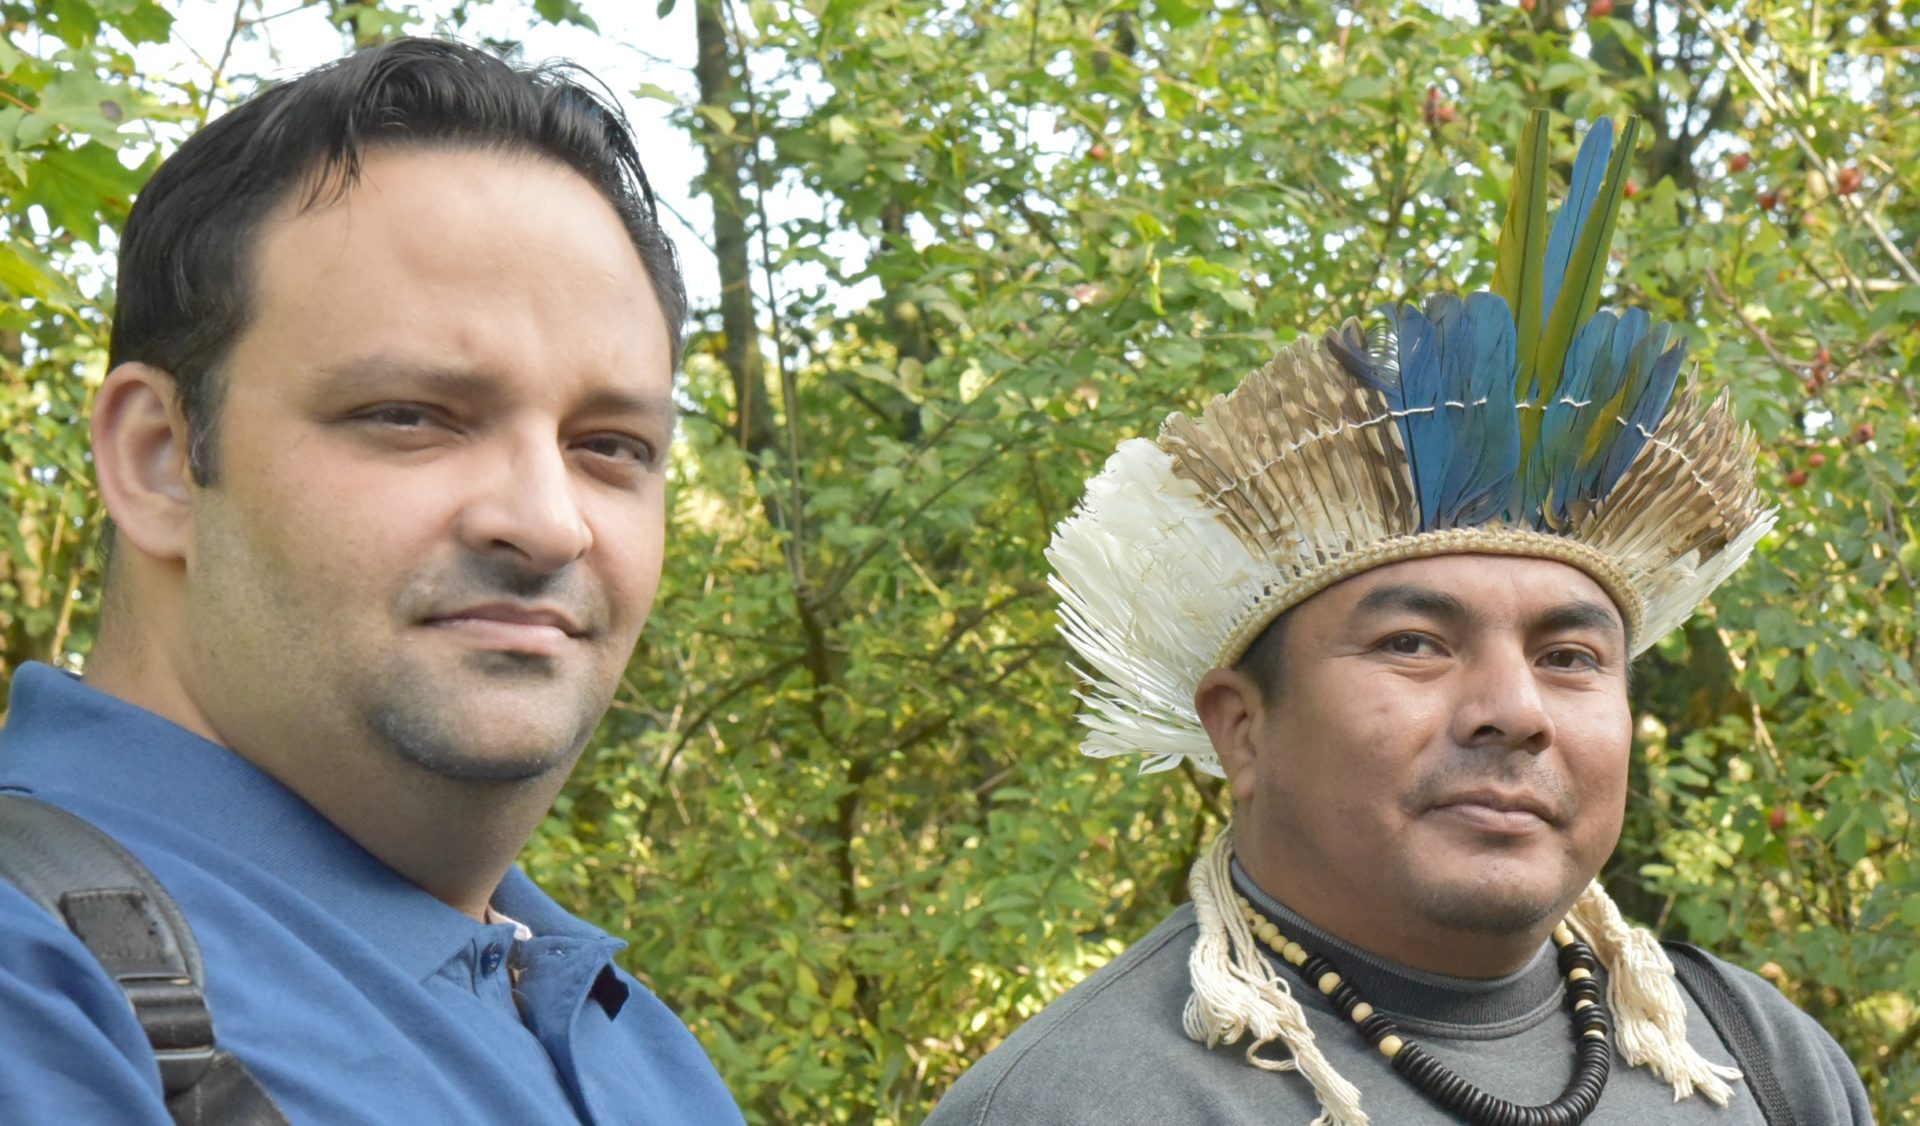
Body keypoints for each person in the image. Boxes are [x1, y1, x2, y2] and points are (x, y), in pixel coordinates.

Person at [927, 112, 1872, 1125]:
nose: (1514, 710)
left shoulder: (1760, 1062)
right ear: (1241, 726)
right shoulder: (1089, 1103)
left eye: (1568, 655)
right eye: (1414, 643)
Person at [0, 38, 743, 1124]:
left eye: (611, 444)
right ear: (160, 458)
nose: (547, 521)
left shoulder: (638, 1043)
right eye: (411, 416)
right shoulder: (40, 988)